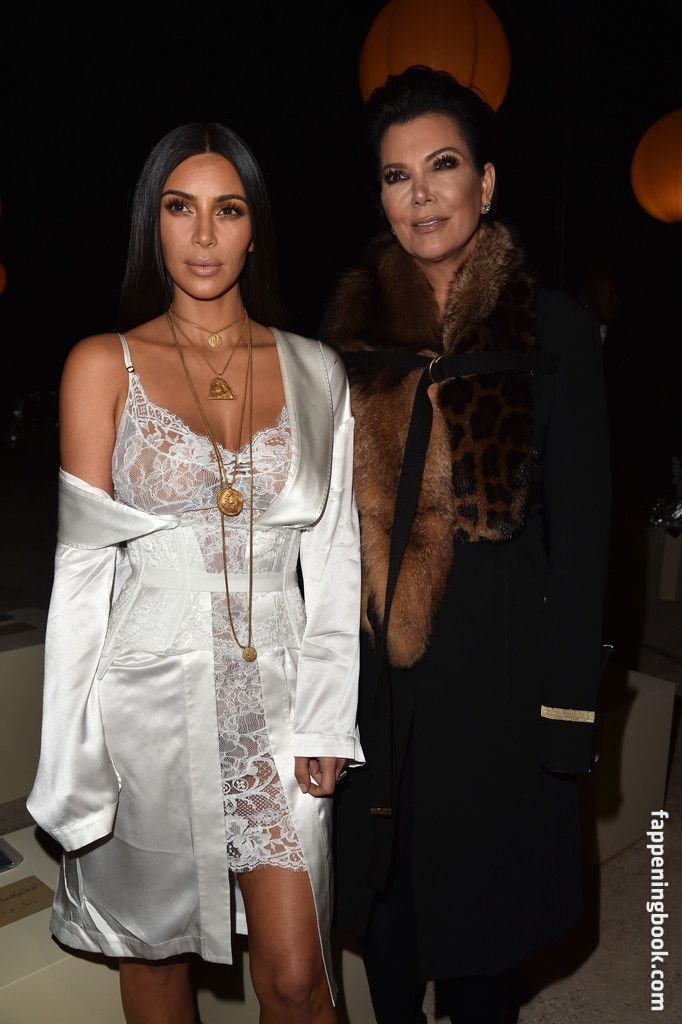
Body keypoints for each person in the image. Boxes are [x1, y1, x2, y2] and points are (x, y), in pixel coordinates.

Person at [27, 122, 363, 1024]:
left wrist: (329, 716)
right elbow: (81, 575)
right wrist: (70, 757)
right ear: (154, 223)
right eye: (181, 208)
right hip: (144, 704)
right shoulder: (101, 365)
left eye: (229, 210)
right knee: (155, 959)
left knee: (298, 982)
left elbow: (335, 561)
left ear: (256, 230)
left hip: (281, 700)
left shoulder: (317, 372)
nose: (204, 235)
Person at [321, 66, 611, 1024]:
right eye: (397, 176)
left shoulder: (551, 327)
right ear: (381, 197)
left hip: (499, 680)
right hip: (378, 681)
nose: (422, 195)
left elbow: (585, 537)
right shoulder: (347, 341)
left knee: (485, 944)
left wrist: (567, 711)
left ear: (484, 182)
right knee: (386, 925)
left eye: (442, 166)